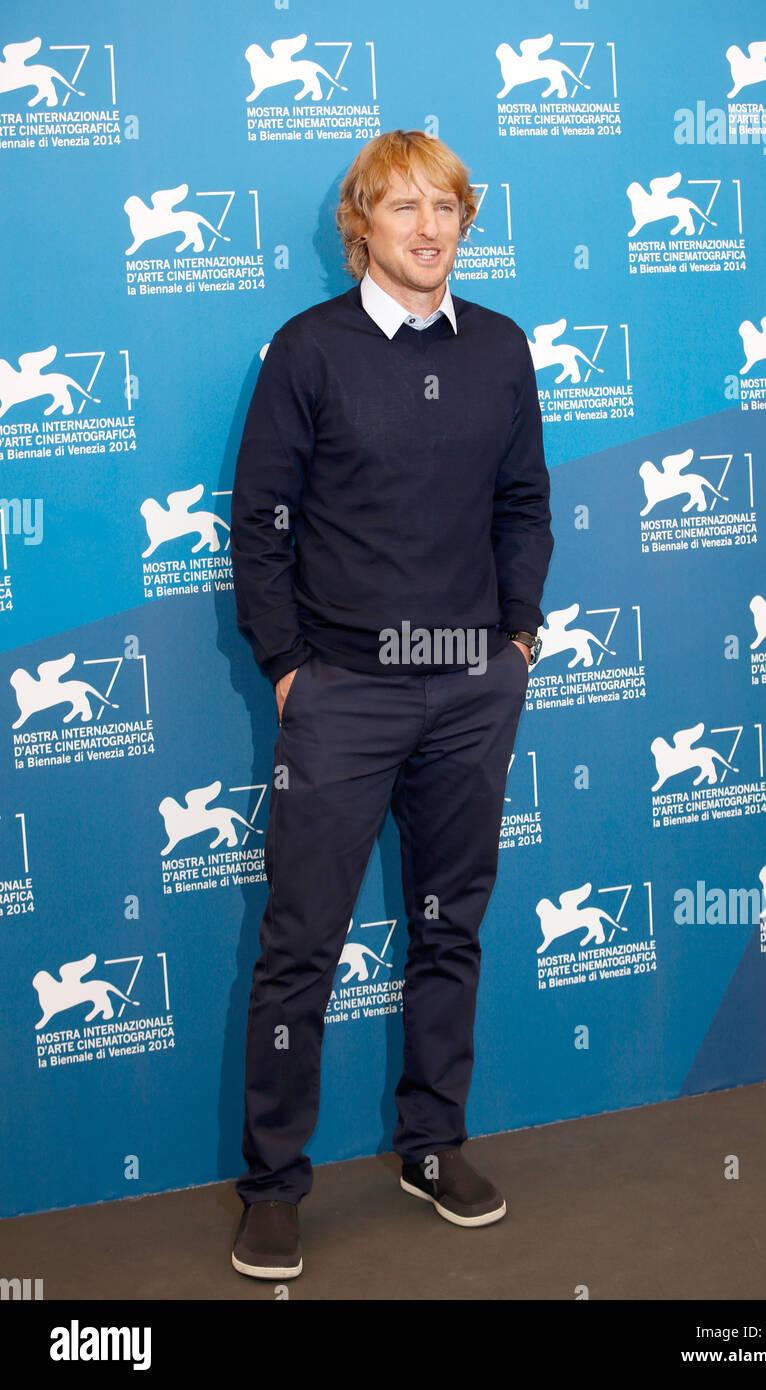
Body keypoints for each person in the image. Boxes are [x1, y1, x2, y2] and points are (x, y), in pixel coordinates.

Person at [229, 129, 552, 1279]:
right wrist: (287, 669)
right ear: (359, 224)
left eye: (445, 207)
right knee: (299, 948)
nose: (428, 228)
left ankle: (432, 1144)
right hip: (344, 699)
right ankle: (273, 1184)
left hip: (471, 693)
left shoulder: (502, 349)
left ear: (464, 221)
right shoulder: (306, 352)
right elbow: (258, 524)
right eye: (403, 207)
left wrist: (513, 642)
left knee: (447, 929)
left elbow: (524, 505)